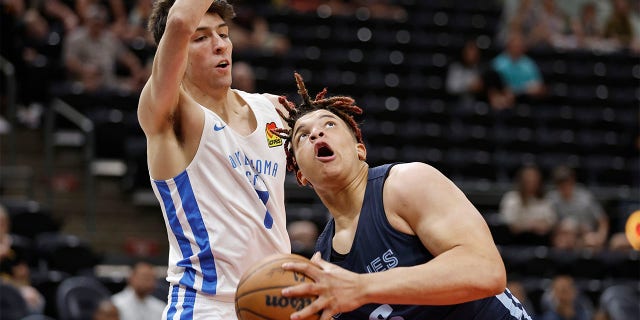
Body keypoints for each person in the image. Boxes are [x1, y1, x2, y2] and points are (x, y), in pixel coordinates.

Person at [271, 73, 532, 319]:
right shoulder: (325, 259)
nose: (316, 133)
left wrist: (361, 286)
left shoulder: (406, 183)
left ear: (360, 149)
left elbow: (486, 271)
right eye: (302, 135)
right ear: (301, 175)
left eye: (329, 124)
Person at [139, 0, 291, 318]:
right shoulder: (170, 115)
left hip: (276, 303)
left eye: (223, 34)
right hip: (208, 305)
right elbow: (180, 20)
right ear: (176, 52)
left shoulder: (271, 109)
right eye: (201, 37)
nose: (220, 45)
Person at [546, 165, 609, 250]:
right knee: (561, 242)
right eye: (561, 184)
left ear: (572, 181)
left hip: (585, 235)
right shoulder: (552, 199)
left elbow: (602, 220)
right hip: (562, 236)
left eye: (567, 182)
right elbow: (549, 224)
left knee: (590, 243)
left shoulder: (585, 197)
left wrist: (600, 237)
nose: (564, 187)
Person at [499, 164, 557, 245]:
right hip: (514, 241)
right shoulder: (511, 198)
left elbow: (549, 225)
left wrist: (524, 224)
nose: (531, 182)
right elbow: (511, 226)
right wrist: (532, 224)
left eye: (534, 180)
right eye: (528, 180)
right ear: (521, 180)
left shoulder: (545, 201)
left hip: (539, 243)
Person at [491, 32, 546, 100]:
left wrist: (522, 91)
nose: (517, 48)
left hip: (526, 99)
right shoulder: (498, 63)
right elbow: (492, 86)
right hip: (504, 99)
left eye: (520, 46)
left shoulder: (529, 63)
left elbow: (539, 86)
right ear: (508, 46)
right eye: (515, 45)